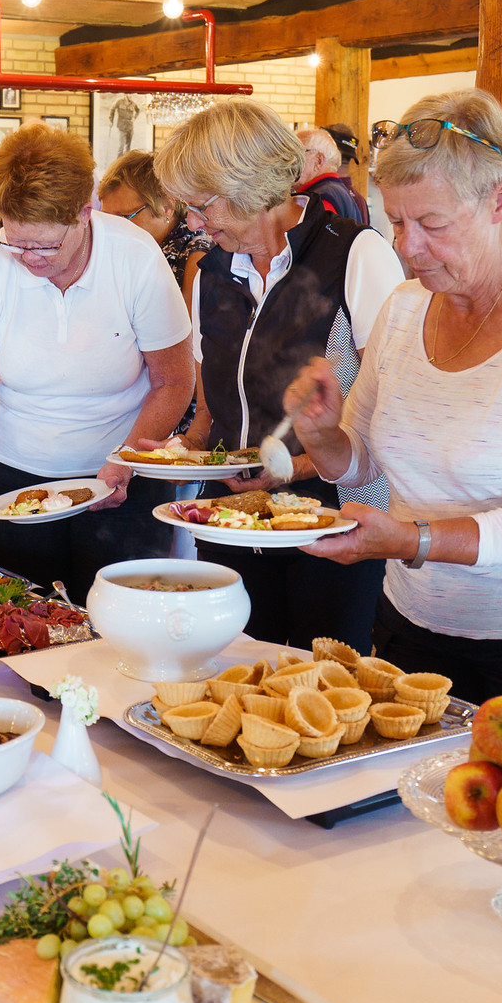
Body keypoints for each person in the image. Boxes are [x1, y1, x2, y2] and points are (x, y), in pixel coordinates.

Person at [285, 89, 502, 717]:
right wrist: (322, 435)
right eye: (396, 222)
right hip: (414, 621)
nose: (407, 247)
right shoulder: (404, 308)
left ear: (499, 199)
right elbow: (361, 465)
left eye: (432, 225)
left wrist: (407, 539)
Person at [132, 99, 404, 648]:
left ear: (249, 186)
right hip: (232, 517)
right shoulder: (210, 272)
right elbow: (214, 390)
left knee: (320, 686)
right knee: (235, 671)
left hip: (331, 523)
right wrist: (190, 445)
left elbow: (391, 408)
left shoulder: (353, 255)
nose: (192, 223)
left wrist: (293, 468)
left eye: (200, 206)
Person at [0, 123, 194, 601]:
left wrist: (125, 461)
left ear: (85, 213)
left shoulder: (136, 258)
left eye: (45, 245)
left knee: (113, 622)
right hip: (14, 472)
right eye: (16, 241)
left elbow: (173, 381)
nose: (28, 258)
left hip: (121, 470)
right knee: (23, 617)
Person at [98, 150, 210, 299]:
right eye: (106, 219)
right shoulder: (119, 251)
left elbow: (188, 322)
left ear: (167, 208)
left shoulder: (195, 258)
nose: (111, 229)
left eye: (124, 217)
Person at [294, 125, 369, 226]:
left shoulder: (321, 199)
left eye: (297, 154)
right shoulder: (337, 191)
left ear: (318, 160)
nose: (290, 162)